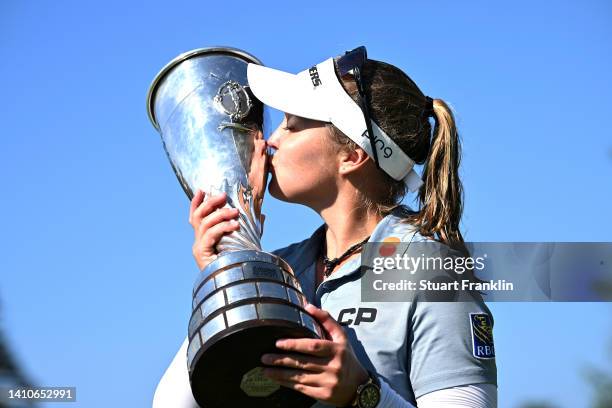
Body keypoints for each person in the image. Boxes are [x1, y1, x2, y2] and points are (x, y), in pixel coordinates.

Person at [153, 46, 497, 407]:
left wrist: (362, 393)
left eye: (293, 125)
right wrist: (229, 266)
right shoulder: (279, 267)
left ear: (352, 155)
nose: (271, 140)